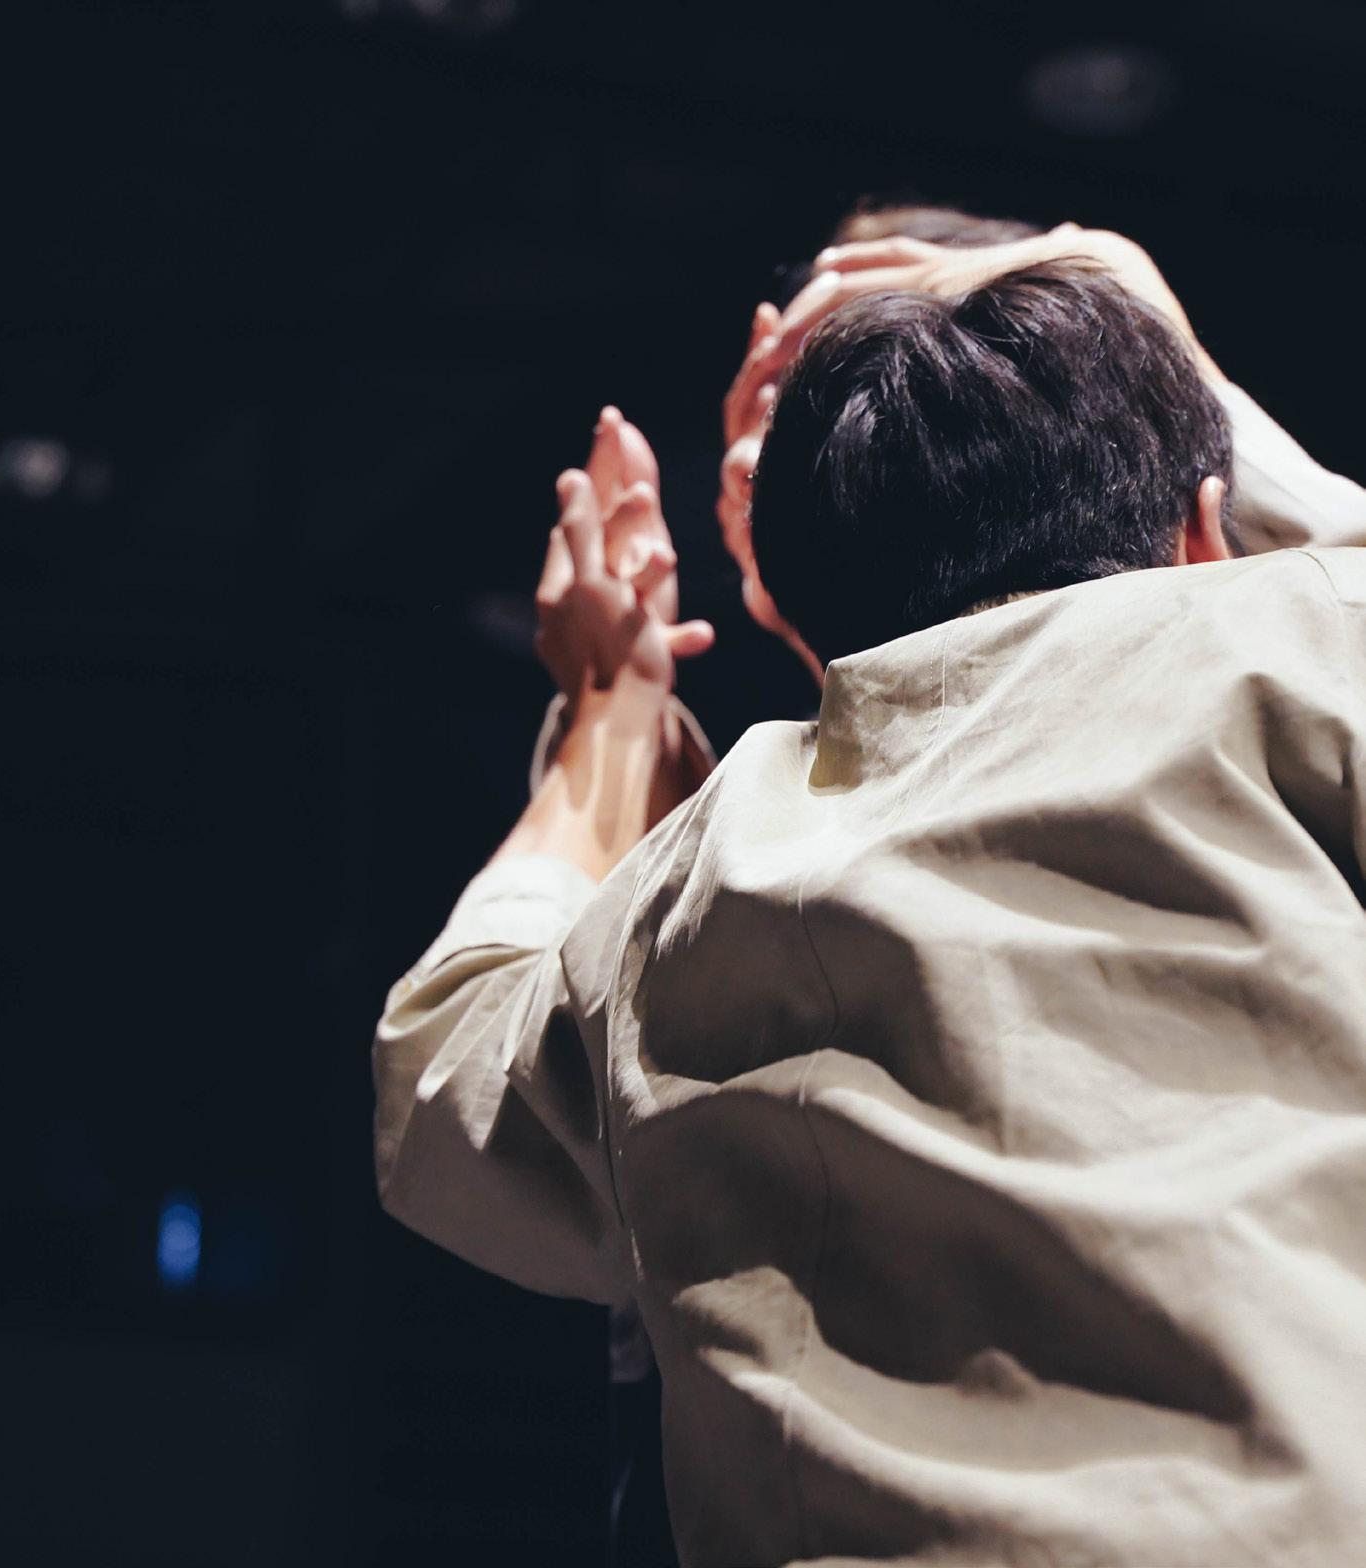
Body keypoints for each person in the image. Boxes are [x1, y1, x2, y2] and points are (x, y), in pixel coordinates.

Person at [373, 237, 1366, 1563]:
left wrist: (612, 714)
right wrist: (1181, 355)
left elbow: (440, 1083)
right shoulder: (1295, 633)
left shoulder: (691, 883)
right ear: (1204, 532)